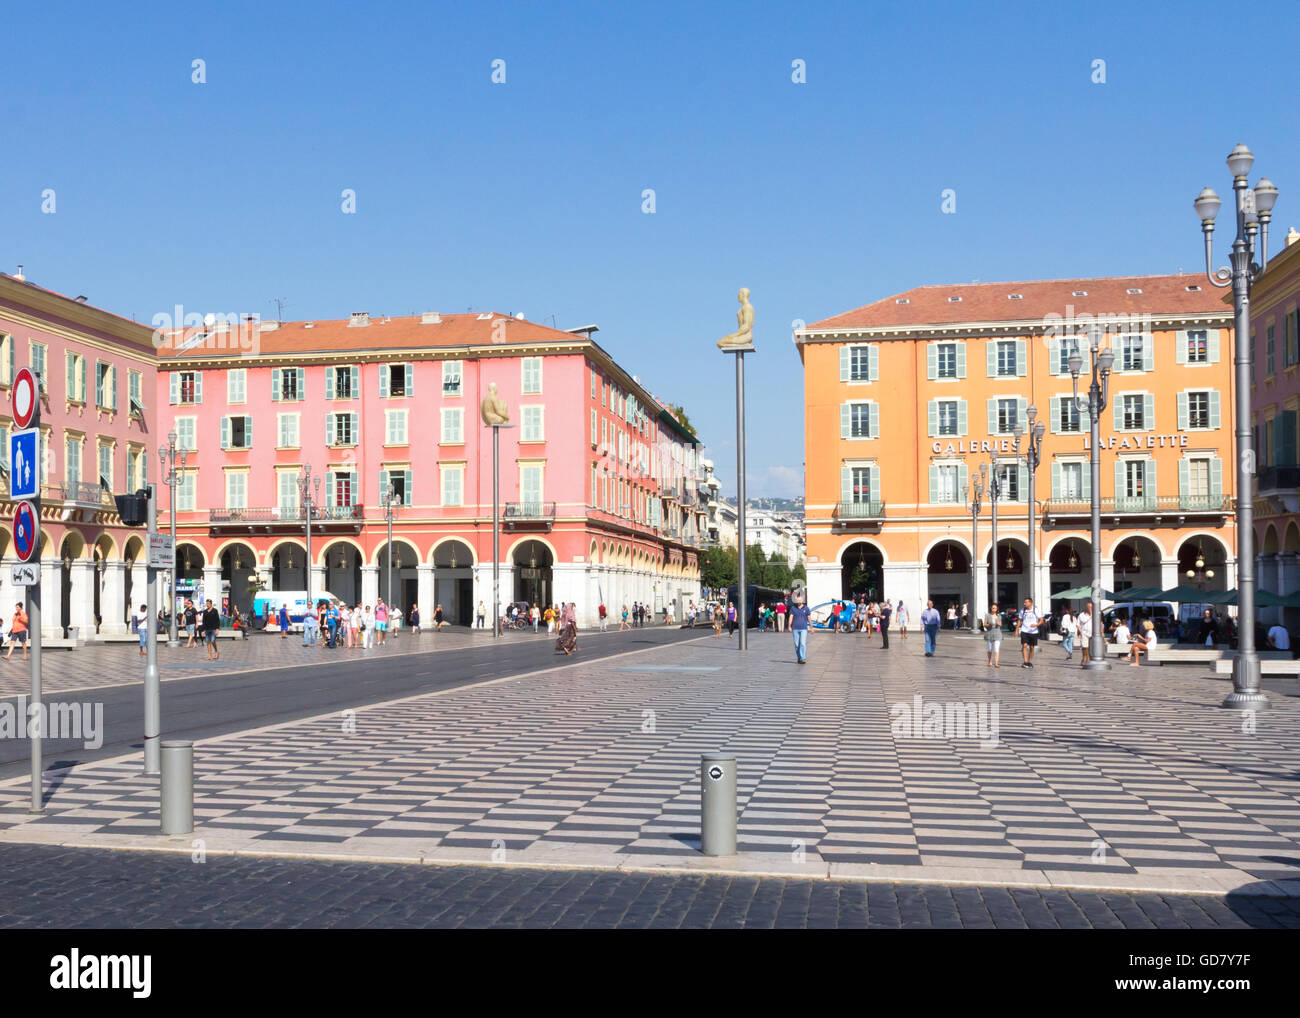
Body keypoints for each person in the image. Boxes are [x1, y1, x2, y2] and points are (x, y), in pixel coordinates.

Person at [1016, 597, 1040, 668]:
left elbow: (1041, 620)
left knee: (1032, 647)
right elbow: (1019, 620)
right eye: (1024, 602)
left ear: (1030, 603)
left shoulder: (1035, 610)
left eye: (1026, 602)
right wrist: (1017, 630)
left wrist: (1036, 624)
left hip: (1033, 631)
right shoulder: (1022, 610)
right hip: (1024, 630)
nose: (1024, 604)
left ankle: (1029, 662)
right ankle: (1025, 662)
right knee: (1024, 645)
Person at [789, 594, 812, 664]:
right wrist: (789, 626)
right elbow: (791, 617)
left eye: (800, 600)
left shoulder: (806, 608)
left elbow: (809, 618)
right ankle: (799, 658)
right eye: (797, 600)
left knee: (802, 643)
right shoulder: (793, 608)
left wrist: (811, 627)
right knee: (796, 645)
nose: (798, 601)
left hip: (803, 629)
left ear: (802, 600)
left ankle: (803, 658)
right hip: (795, 628)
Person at [984, 603, 1003, 668]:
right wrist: (989, 624)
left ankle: (996, 663)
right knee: (989, 649)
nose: (994, 609)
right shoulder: (987, 615)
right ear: (991, 608)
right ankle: (990, 661)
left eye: (995, 608)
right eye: (993, 608)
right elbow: (984, 624)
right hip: (989, 633)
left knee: (996, 649)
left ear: (997, 609)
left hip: (997, 633)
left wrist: (998, 623)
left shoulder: (999, 616)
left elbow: (1001, 624)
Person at [1077, 601, 1094, 666]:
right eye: (1089, 607)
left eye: (1091, 607)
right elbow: (1078, 624)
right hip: (1084, 632)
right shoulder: (1081, 615)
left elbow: (1100, 623)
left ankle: (1089, 658)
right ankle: (1085, 658)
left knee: (1091, 647)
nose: (1090, 608)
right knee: (1084, 646)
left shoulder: (1094, 614)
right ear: (1086, 608)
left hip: (1093, 633)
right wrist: (1081, 632)